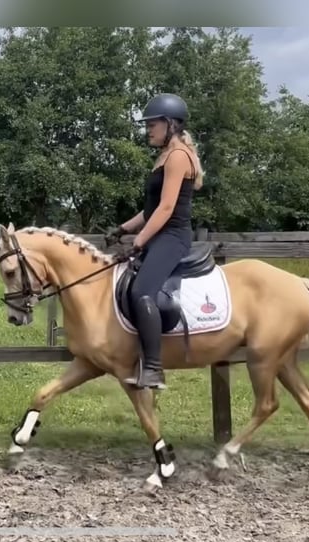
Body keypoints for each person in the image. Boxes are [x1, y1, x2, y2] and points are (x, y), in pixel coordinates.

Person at [106, 93, 204, 390]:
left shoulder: (177, 157)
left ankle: (152, 369)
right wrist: (122, 230)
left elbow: (165, 209)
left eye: (153, 124)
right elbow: (150, 209)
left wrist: (138, 242)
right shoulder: (163, 156)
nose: (148, 129)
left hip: (173, 237)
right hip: (159, 234)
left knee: (142, 292)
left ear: (170, 124)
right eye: (147, 124)